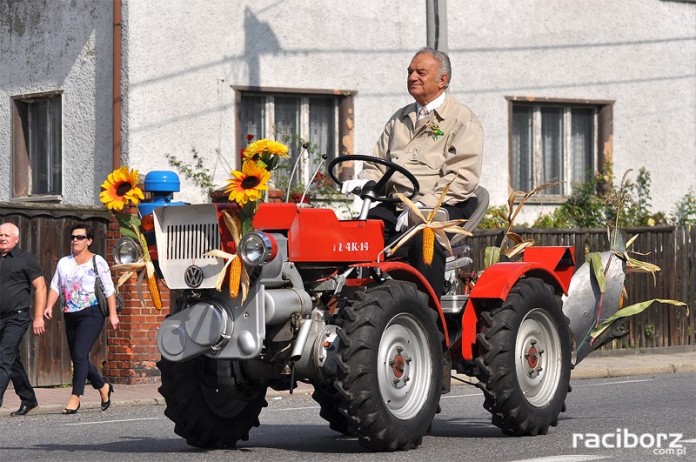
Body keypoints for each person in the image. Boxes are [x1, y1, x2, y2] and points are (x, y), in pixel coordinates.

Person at [344, 47, 484, 297]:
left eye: (421, 72)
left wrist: (418, 211)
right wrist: (365, 184)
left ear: (443, 80)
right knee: (358, 232)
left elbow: (461, 178)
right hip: (398, 203)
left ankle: (427, 312)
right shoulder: (400, 118)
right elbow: (378, 162)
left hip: (447, 203)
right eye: (409, 72)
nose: (412, 77)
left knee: (426, 234)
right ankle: (354, 301)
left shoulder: (462, 119)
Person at [44, 223, 119, 414]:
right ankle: (103, 387)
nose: (75, 240)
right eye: (73, 237)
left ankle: (75, 397)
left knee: (78, 354)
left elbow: (109, 289)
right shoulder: (64, 262)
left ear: (89, 241)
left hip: (92, 313)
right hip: (70, 314)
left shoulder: (98, 261)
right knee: (80, 356)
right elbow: (55, 286)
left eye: (80, 237)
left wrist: (113, 314)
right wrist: (48, 306)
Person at [0, 222, 47, 416]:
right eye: (0, 235)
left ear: (16, 239)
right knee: (12, 361)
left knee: (3, 357)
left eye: (6, 235)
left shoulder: (25, 260)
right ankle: (28, 399)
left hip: (17, 317)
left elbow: (41, 287)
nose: (2, 238)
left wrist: (38, 317)